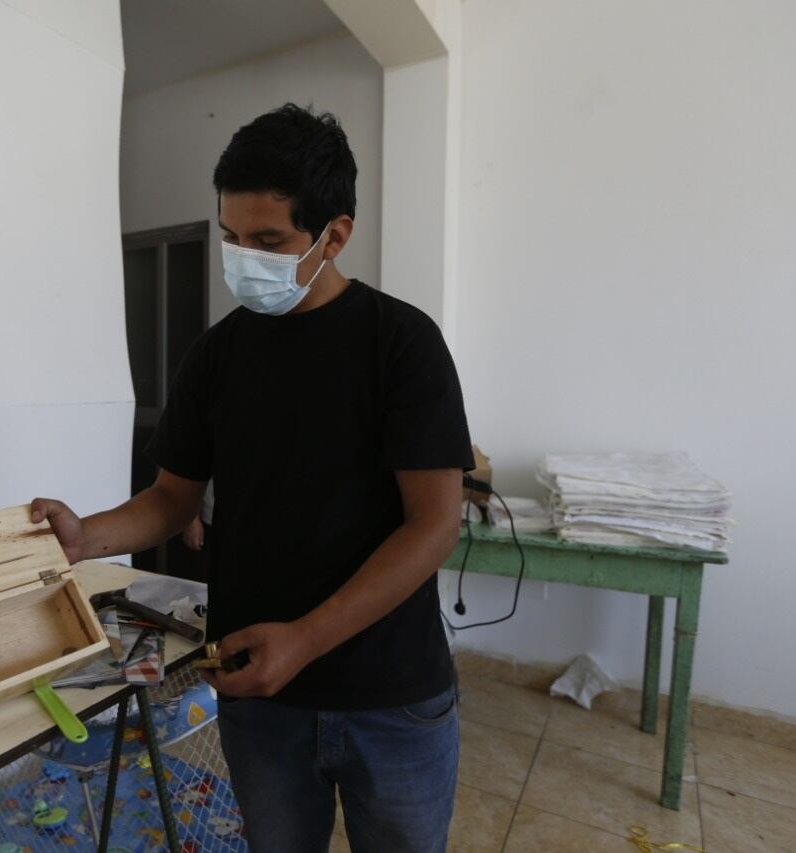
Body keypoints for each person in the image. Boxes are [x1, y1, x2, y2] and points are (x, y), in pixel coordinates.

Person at [32, 103, 473, 853]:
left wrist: (305, 638)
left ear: (336, 234)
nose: (244, 258)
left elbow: (433, 524)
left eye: (268, 241)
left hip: (392, 697)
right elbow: (172, 499)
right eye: (232, 237)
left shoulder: (402, 344)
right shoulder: (216, 357)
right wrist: (86, 535)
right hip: (261, 697)